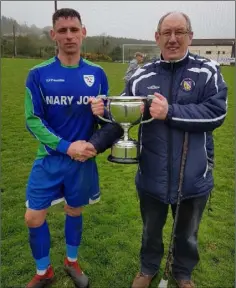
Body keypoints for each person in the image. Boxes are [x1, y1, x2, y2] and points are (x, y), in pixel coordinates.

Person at [90, 11, 228, 288]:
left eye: (180, 32)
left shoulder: (207, 71)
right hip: (151, 174)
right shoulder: (142, 75)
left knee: (187, 234)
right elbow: (124, 118)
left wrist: (171, 111)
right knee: (150, 230)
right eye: (167, 33)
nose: (173, 39)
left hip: (193, 176)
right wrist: (98, 127)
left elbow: (216, 112)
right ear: (157, 37)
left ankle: (183, 273)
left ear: (190, 36)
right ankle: (148, 267)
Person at [24, 8, 123, 288]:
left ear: (83, 32)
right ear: (53, 35)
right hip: (50, 158)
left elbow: (108, 119)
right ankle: (44, 271)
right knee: (33, 217)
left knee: (74, 211)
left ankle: (71, 261)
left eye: (74, 29)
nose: (69, 35)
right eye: (63, 30)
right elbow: (33, 119)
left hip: (82, 161)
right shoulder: (38, 74)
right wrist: (66, 146)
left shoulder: (97, 73)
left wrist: (101, 111)